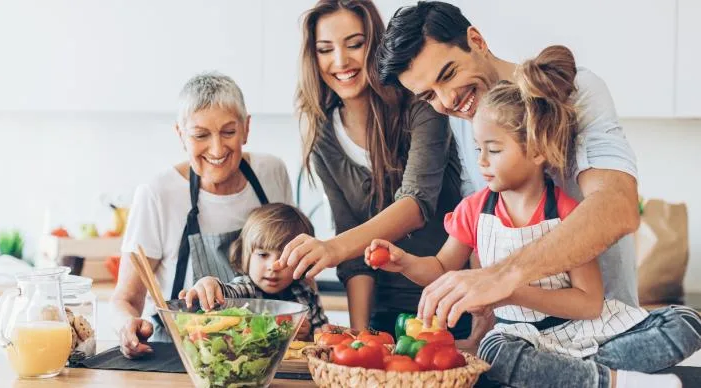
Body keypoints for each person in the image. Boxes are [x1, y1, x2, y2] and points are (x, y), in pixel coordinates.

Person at [368, 45, 701, 388]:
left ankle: (565, 375)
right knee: (496, 351)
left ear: (538, 150)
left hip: (588, 332)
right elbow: (440, 269)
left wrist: (508, 290)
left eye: (494, 150)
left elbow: (588, 304)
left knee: (686, 323)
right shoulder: (474, 211)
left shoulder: (570, 216)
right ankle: (615, 381)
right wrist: (405, 262)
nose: (481, 161)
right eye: (478, 148)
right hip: (524, 339)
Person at [377, 1, 643, 332]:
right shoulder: (466, 118)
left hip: (605, 327)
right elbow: (481, 233)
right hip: (519, 334)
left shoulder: (577, 91)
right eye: (429, 96)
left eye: (448, 74)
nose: (447, 101)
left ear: (476, 40)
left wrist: (503, 277)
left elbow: (618, 206)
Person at [273, 0, 480, 342]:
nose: (340, 61)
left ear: (376, 45)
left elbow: (416, 205)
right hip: (384, 313)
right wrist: (359, 337)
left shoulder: (423, 103)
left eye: (355, 44)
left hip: (449, 304)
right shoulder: (323, 134)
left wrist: (332, 248)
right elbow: (354, 256)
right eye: (326, 49)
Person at [111, 72, 293, 358]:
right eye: (200, 135)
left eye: (229, 132)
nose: (217, 149)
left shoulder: (271, 173)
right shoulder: (158, 193)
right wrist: (127, 326)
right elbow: (126, 298)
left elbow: (297, 267)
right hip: (181, 358)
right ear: (181, 135)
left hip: (263, 355)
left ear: (246, 128)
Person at [179, 203, 329, 341]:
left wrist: (310, 334)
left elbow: (324, 336)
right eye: (263, 255)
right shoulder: (246, 288)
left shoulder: (306, 293)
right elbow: (226, 293)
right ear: (246, 256)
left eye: (285, 258)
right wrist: (210, 284)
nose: (273, 266)